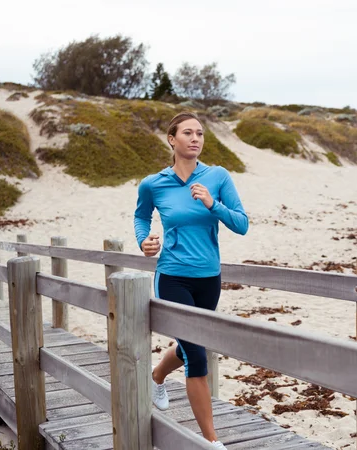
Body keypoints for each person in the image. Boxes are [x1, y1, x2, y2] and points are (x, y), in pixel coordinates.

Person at [134, 111, 248, 449]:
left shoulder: (218, 176)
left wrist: (213, 204)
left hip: (209, 277)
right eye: (188, 132)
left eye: (200, 133)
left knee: (190, 346)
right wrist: (145, 241)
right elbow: (141, 215)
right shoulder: (154, 183)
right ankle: (212, 442)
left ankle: (156, 375)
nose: (196, 138)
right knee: (196, 355)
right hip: (171, 276)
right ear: (172, 139)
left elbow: (241, 224)